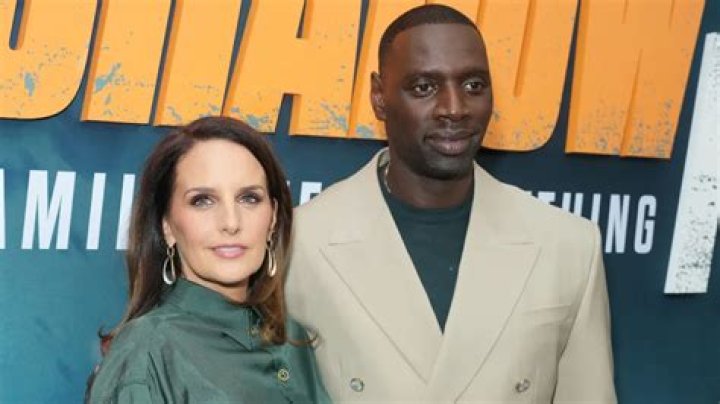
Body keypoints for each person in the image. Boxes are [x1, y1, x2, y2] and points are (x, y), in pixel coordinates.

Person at [286, 4, 616, 403]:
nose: (455, 108)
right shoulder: (299, 243)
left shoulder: (568, 245)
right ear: (379, 96)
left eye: (474, 85)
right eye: (424, 87)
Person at [87, 117, 330, 403]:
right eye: (202, 200)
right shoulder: (147, 351)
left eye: (249, 198)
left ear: (274, 217)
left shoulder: (292, 337)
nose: (231, 222)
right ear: (167, 226)